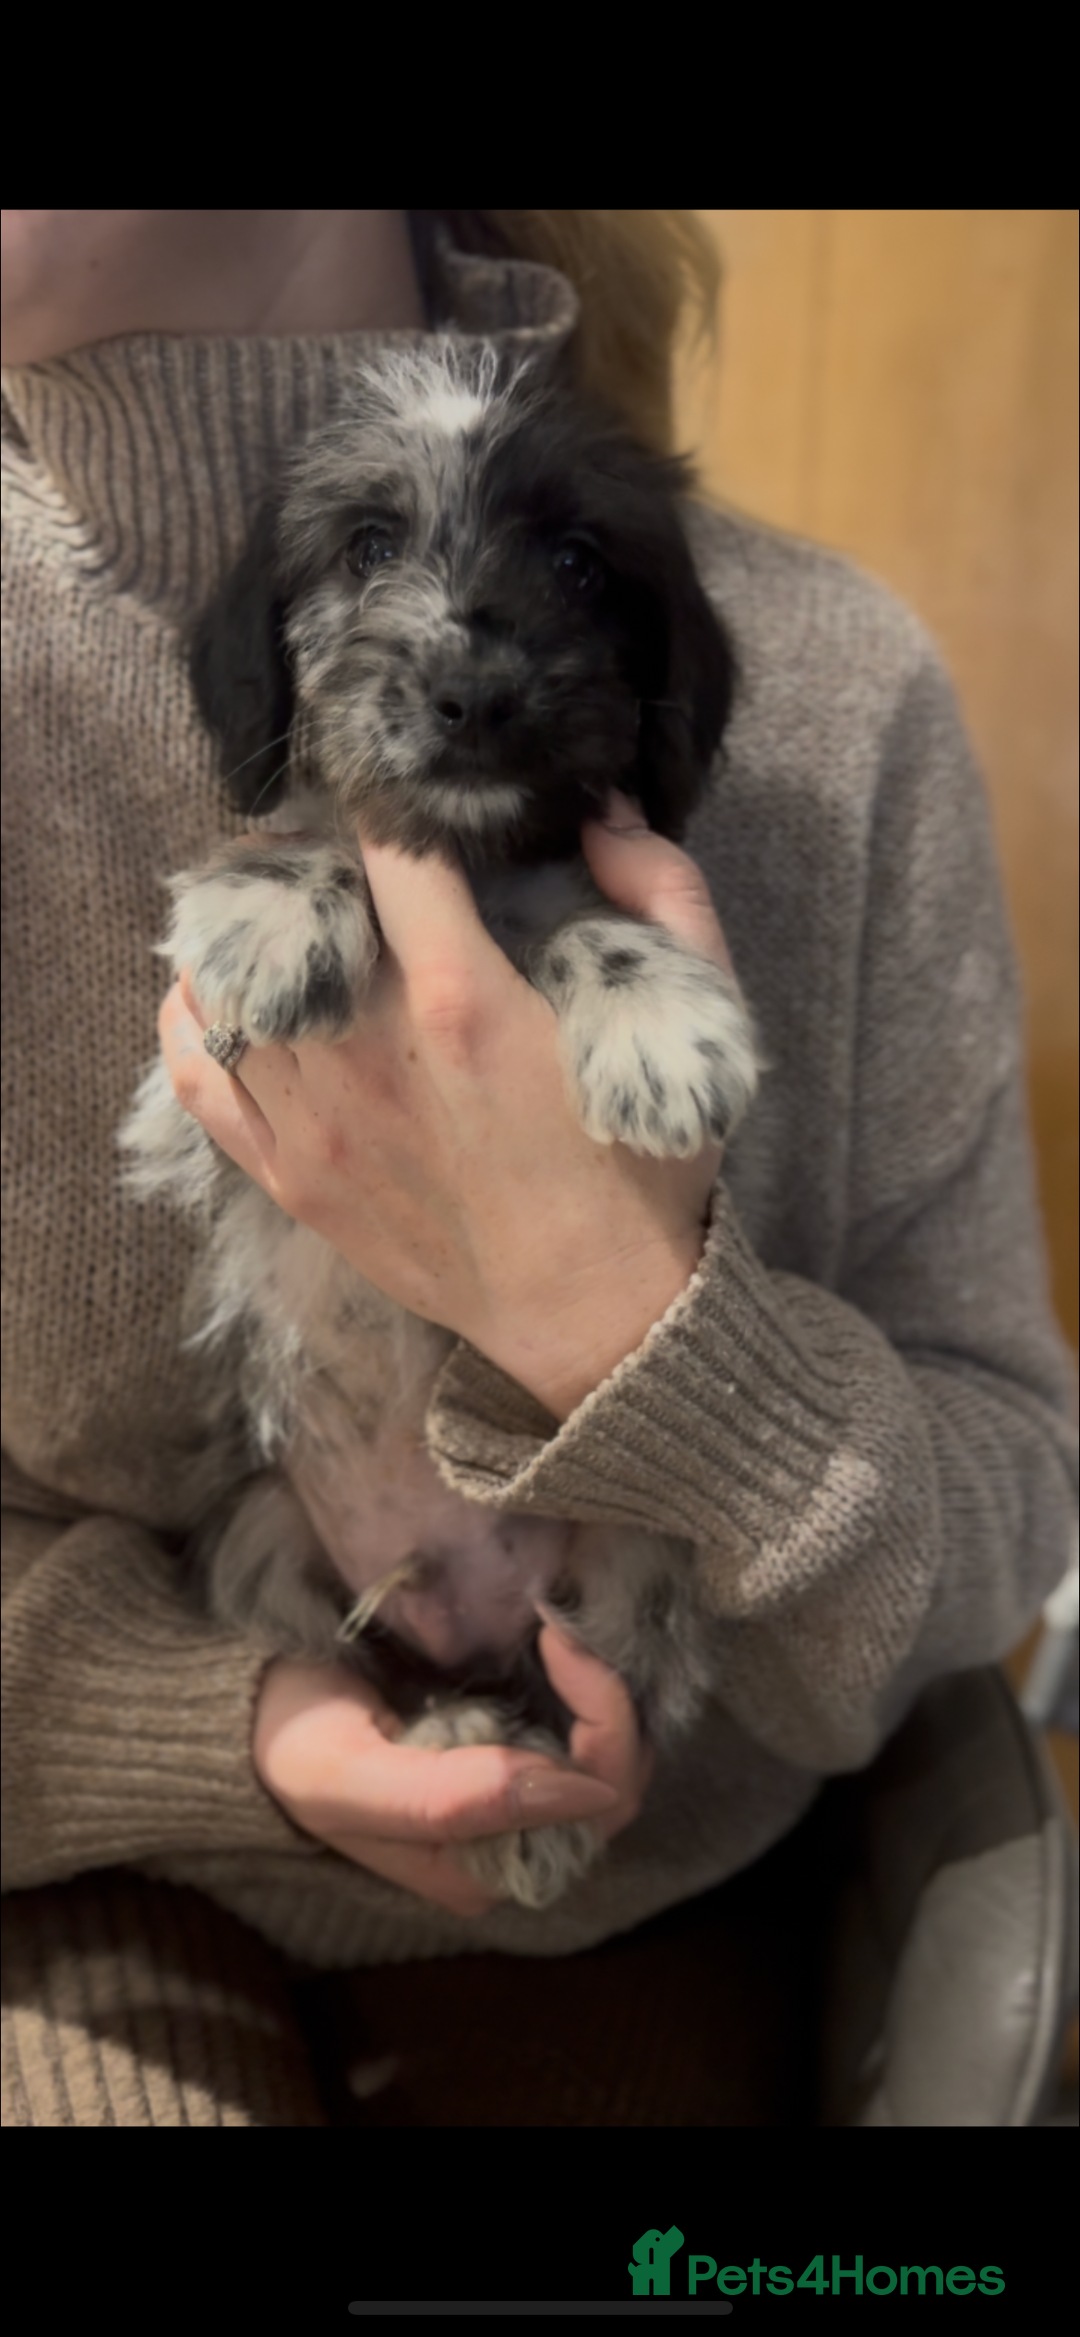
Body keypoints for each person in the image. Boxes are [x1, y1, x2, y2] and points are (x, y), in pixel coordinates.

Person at [2, 210, 1076, 2128]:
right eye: (367, 561)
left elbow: (1012, 1480)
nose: (469, 655)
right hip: (78, 1883)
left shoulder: (846, 693)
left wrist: (646, 1337)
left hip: (655, 1891)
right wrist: (209, 1731)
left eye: (560, 569)